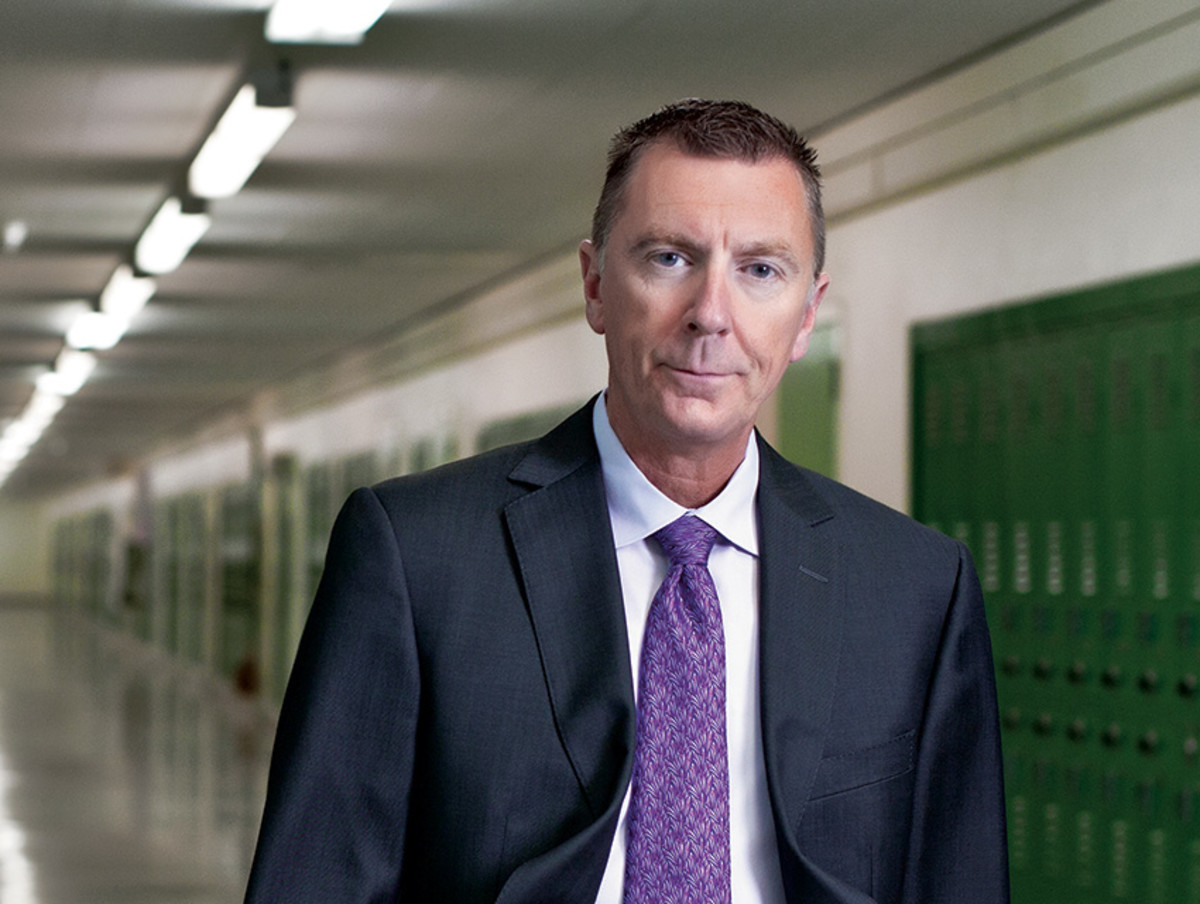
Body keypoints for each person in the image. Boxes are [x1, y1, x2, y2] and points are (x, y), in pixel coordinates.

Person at [244, 99, 1009, 904]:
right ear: (596, 285)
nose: (711, 315)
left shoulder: (915, 586)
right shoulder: (414, 554)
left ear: (808, 313)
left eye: (760, 270)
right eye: (671, 258)